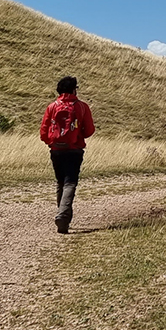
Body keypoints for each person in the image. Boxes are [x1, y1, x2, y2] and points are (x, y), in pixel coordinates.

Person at [39, 75, 95, 233]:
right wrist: (78, 135)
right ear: (73, 89)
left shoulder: (52, 106)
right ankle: (62, 216)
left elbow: (44, 130)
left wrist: (50, 141)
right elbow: (89, 130)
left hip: (56, 149)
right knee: (70, 182)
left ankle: (62, 217)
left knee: (60, 182)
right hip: (74, 149)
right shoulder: (82, 106)